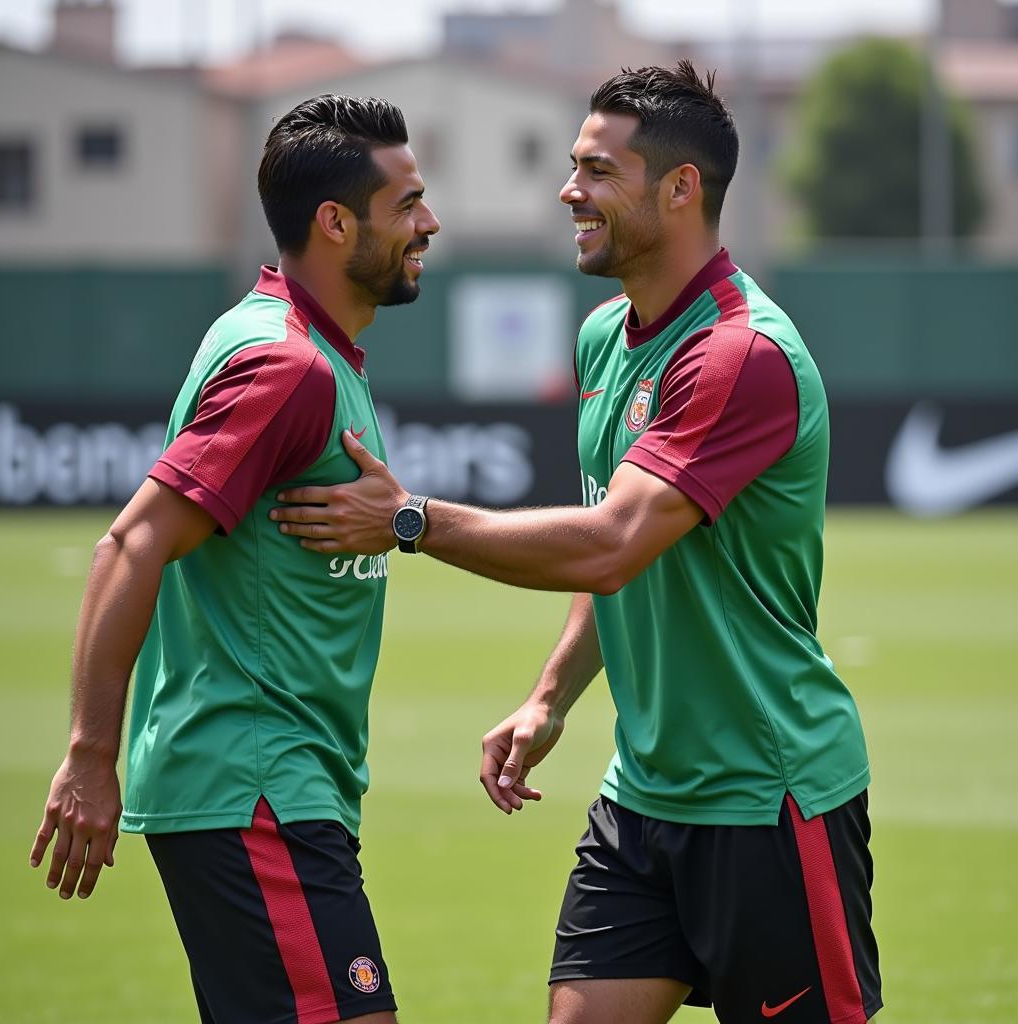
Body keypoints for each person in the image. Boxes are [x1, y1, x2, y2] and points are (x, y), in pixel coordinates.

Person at [270, 63, 882, 1024]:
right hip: (642, 800)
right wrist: (551, 696)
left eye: (597, 171)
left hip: (769, 799)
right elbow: (622, 563)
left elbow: (610, 542)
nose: (569, 192)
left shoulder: (740, 356)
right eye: (572, 167)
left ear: (681, 189)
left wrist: (410, 519)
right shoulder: (604, 338)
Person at [30, 94, 439, 1024]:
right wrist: (91, 754)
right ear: (336, 224)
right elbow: (133, 541)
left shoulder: (303, 348)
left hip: (279, 792)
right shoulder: (286, 367)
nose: (429, 222)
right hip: (256, 790)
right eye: (407, 203)